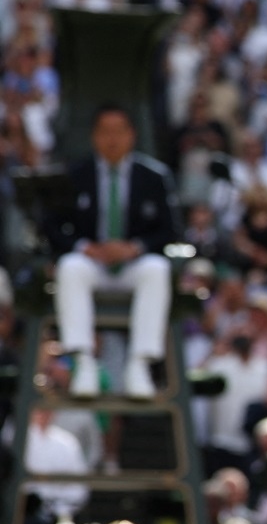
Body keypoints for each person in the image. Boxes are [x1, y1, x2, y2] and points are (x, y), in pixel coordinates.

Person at [47, 103, 182, 399]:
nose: (112, 139)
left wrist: (134, 248)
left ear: (131, 135)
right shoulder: (75, 174)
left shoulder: (154, 177)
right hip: (91, 264)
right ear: (94, 136)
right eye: (105, 132)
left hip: (133, 265)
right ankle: (83, 361)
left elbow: (170, 231)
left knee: (157, 270)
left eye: (118, 132)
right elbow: (52, 227)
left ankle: (140, 363)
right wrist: (86, 247)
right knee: (70, 267)